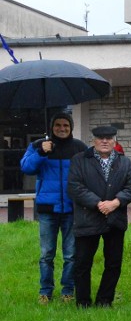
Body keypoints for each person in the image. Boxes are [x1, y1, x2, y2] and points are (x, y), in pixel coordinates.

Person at [67, 126, 131, 308]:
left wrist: (115, 202)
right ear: (93, 141)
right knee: (83, 263)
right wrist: (99, 203)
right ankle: (83, 302)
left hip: (115, 220)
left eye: (108, 138)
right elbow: (75, 187)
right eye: (100, 138)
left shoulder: (124, 162)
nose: (104, 141)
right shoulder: (79, 160)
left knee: (113, 263)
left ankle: (105, 300)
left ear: (115, 141)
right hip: (87, 219)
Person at [20, 112, 87, 304]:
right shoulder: (38, 146)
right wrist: (42, 152)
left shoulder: (79, 148)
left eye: (66, 125)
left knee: (71, 254)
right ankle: (45, 291)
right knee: (46, 254)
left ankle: (67, 290)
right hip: (48, 208)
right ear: (52, 127)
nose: (62, 128)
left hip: (72, 208)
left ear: (71, 127)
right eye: (57, 125)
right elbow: (26, 167)